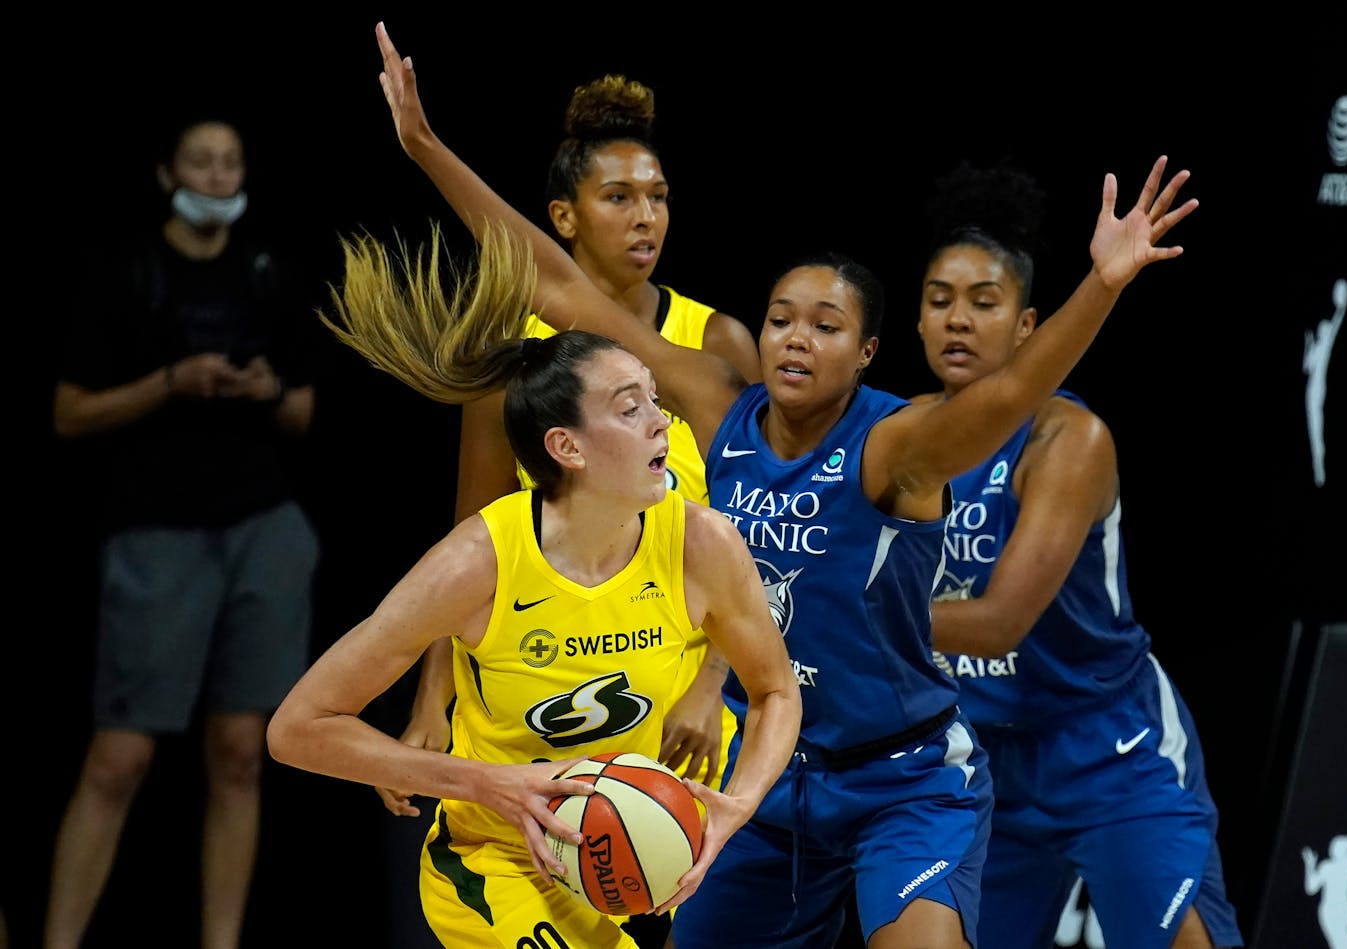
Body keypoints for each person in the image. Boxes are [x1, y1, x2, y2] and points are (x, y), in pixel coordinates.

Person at [370, 20, 1196, 948]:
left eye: (827, 325)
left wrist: (1106, 282)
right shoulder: (717, 404)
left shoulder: (897, 445)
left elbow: (1009, 391)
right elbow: (555, 283)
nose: (798, 337)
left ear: (868, 351)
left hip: (901, 776)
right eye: (781, 318)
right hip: (765, 775)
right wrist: (428, 150)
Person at [265, 222, 802, 949]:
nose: (662, 423)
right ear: (567, 447)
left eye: (656, 400)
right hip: (503, 859)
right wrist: (486, 782)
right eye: (630, 407)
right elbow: (298, 728)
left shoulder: (702, 542)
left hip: (646, 853)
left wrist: (735, 805)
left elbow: (775, 690)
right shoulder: (479, 561)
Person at [381, 71, 759, 827]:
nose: (646, 216)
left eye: (657, 196)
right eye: (618, 197)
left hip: (688, 700)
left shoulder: (709, 349)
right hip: (550, 696)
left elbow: (759, 527)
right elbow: (471, 540)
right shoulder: (520, 361)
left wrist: (712, 682)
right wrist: (433, 701)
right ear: (564, 215)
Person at [912, 161, 1243, 949]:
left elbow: (998, 624)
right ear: (917, 323)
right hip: (981, 753)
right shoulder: (902, 435)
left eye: (984, 303)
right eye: (939, 301)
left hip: (1106, 744)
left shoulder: (1070, 439)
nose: (958, 319)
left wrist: (841, 617)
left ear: (1027, 327)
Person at [45, 115, 320, 949]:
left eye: (231, 158)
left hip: (260, 524)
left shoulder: (270, 272)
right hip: (156, 530)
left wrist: (264, 389)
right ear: (168, 170)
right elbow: (68, 411)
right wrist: (172, 381)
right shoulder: (124, 272)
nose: (216, 172)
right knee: (121, 755)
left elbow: (306, 409)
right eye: (200, 159)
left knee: (242, 748)